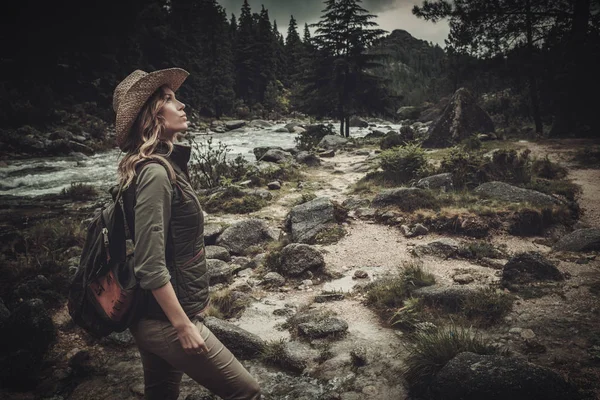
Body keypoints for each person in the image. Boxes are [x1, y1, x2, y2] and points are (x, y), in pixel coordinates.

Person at [112, 68, 261, 400]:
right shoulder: (155, 173)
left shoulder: (165, 165)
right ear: (151, 116)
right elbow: (149, 265)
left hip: (155, 316)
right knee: (247, 392)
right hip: (163, 322)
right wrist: (183, 325)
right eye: (168, 99)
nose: (181, 105)